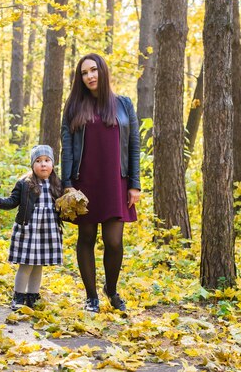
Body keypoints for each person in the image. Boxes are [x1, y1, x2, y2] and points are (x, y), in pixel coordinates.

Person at [60, 53, 141, 313]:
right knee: (86, 237)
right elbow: (67, 147)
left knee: (114, 241)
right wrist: (68, 183)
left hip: (116, 181)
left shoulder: (124, 105)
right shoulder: (74, 106)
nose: (90, 76)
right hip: (85, 182)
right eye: (84, 73)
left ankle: (112, 289)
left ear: (103, 71)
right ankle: (91, 296)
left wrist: (134, 184)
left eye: (93, 70)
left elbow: (134, 146)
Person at [0, 145, 63, 311]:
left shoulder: (57, 184)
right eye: (38, 161)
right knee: (26, 264)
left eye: (47, 161)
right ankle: (19, 295)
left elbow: (63, 206)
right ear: (32, 165)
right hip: (29, 228)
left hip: (47, 230)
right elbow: (12, 201)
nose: (43, 164)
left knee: (38, 264)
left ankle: (32, 296)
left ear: (53, 164)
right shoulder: (25, 183)